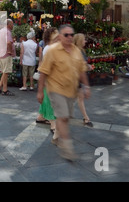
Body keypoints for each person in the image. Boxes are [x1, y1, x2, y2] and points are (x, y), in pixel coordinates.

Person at [37, 24, 91, 161]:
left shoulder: (76, 51)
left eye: (71, 35)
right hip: (56, 90)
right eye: (66, 35)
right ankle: (67, 148)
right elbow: (43, 72)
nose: (69, 37)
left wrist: (87, 86)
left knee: (65, 118)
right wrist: (40, 92)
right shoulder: (52, 51)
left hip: (70, 90)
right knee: (62, 117)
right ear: (60, 36)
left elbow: (82, 70)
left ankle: (56, 137)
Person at [36, 27, 59, 136]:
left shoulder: (49, 48)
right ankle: (53, 124)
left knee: (46, 99)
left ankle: (41, 117)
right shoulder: (50, 48)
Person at [73, 33, 93, 127]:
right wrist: (87, 66)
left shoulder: (79, 51)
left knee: (78, 98)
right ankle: (86, 118)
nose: (85, 41)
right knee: (80, 98)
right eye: (84, 39)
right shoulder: (78, 51)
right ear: (80, 41)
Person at [0, 19, 15, 96]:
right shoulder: (8, 32)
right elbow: (9, 42)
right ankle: (5, 90)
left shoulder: (1, 30)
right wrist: (10, 51)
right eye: (12, 24)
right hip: (6, 54)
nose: (13, 25)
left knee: (4, 72)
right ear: (9, 24)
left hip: (1, 53)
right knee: (6, 72)